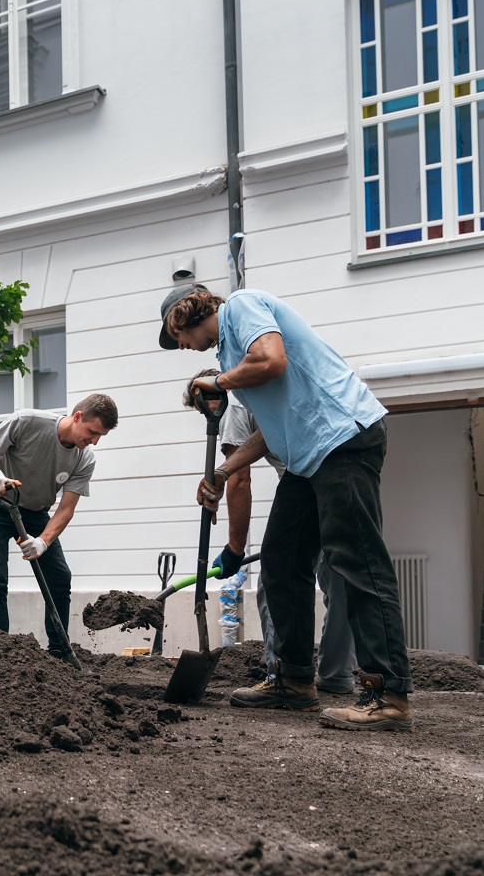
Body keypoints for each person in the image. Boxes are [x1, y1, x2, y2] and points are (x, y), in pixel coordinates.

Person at [159, 284, 412, 732]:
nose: (180, 348)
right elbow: (269, 431)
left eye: (175, 338)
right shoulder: (231, 357)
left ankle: (387, 694)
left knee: (357, 561)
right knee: (281, 559)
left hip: (340, 438)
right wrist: (222, 472)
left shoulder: (241, 306)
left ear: (184, 317)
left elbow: (274, 361)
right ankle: (293, 681)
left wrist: (218, 382)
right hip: (306, 455)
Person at [184, 370, 356, 695]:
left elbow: (240, 479)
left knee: (277, 580)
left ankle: (283, 676)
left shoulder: (232, 403)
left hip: (304, 485)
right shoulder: (260, 394)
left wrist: (235, 549)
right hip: (339, 473)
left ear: (206, 397)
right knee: (341, 578)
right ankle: (336, 676)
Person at [0, 394, 117, 657]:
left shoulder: (85, 459)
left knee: (60, 577)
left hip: (35, 512)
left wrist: (43, 541)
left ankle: (59, 651)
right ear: (77, 417)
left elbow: (66, 508)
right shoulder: (28, 421)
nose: (94, 441)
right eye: (92, 432)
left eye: (100, 436)